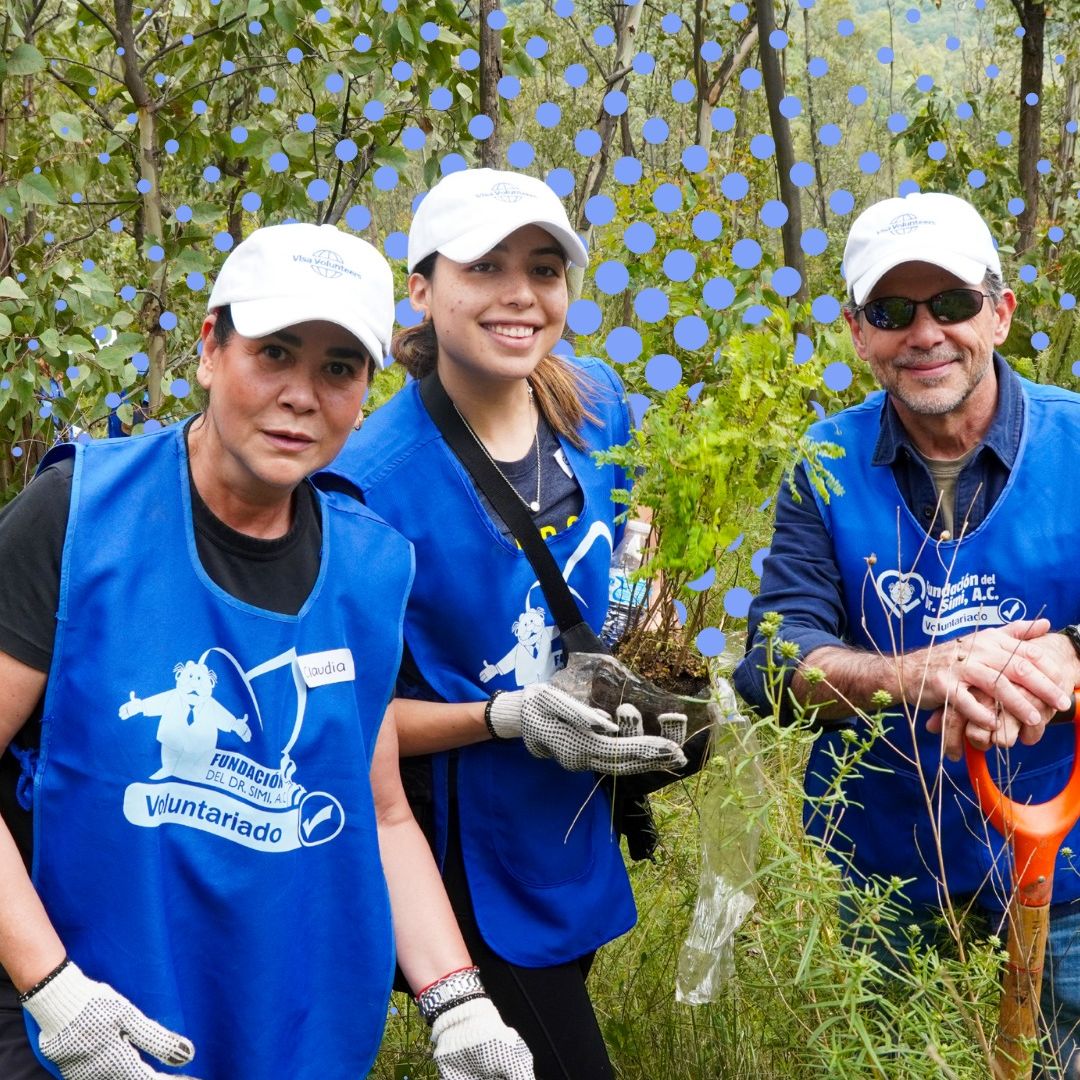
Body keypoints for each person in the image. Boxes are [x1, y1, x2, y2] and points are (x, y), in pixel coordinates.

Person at [0, 222, 535, 1080]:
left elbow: (381, 811)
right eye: (275, 353)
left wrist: (459, 1001)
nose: (301, 396)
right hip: (87, 1012)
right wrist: (55, 992)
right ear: (210, 348)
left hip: (286, 1017)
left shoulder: (371, 566)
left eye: (338, 368)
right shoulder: (80, 517)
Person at [321, 167, 689, 1080]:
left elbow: (632, 553)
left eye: (543, 269)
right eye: (484, 268)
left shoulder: (595, 404)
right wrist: (509, 715)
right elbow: (349, 723)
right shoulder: (368, 487)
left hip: (575, 822)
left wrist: (657, 652)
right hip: (472, 862)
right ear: (421, 289)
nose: (520, 294)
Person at [733, 191, 1080, 1072]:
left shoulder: (1077, 442)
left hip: (1067, 870)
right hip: (885, 875)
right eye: (892, 312)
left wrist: (1067, 653)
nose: (926, 333)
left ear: (1000, 313)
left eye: (952, 303)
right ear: (859, 333)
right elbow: (772, 662)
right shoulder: (823, 463)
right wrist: (914, 674)